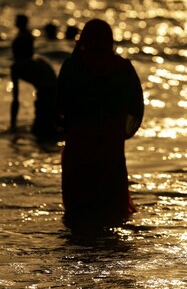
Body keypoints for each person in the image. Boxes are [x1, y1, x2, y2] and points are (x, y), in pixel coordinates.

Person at [56, 19, 144, 231]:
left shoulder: (72, 66)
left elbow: (59, 104)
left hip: (79, 146)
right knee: (110, 211)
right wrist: (119, 131)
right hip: (110, 146)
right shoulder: (123, 69)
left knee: (77, 214)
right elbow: (136, 108)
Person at [9, 14, 59, 139]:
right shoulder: (39, 61)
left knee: (41, 132)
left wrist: (12, 125)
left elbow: (15, 100)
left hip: (48, 93)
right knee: (48, 128)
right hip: (56, 91)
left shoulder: (17, 66)